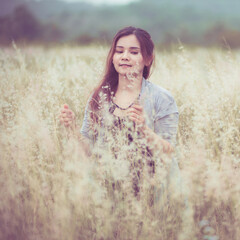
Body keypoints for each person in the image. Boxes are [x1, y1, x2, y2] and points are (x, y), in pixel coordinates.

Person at [59, 26, 180, 200]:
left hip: (151, 192)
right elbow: (87, 150)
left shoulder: (161, 98)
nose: (125, 57)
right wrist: (71, 127)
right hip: (108, 192)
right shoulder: (99, 97)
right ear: (113, 57)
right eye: (119, 51)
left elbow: (168, 152)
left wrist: (144, 130)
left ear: (147, 59)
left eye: (134, 52)